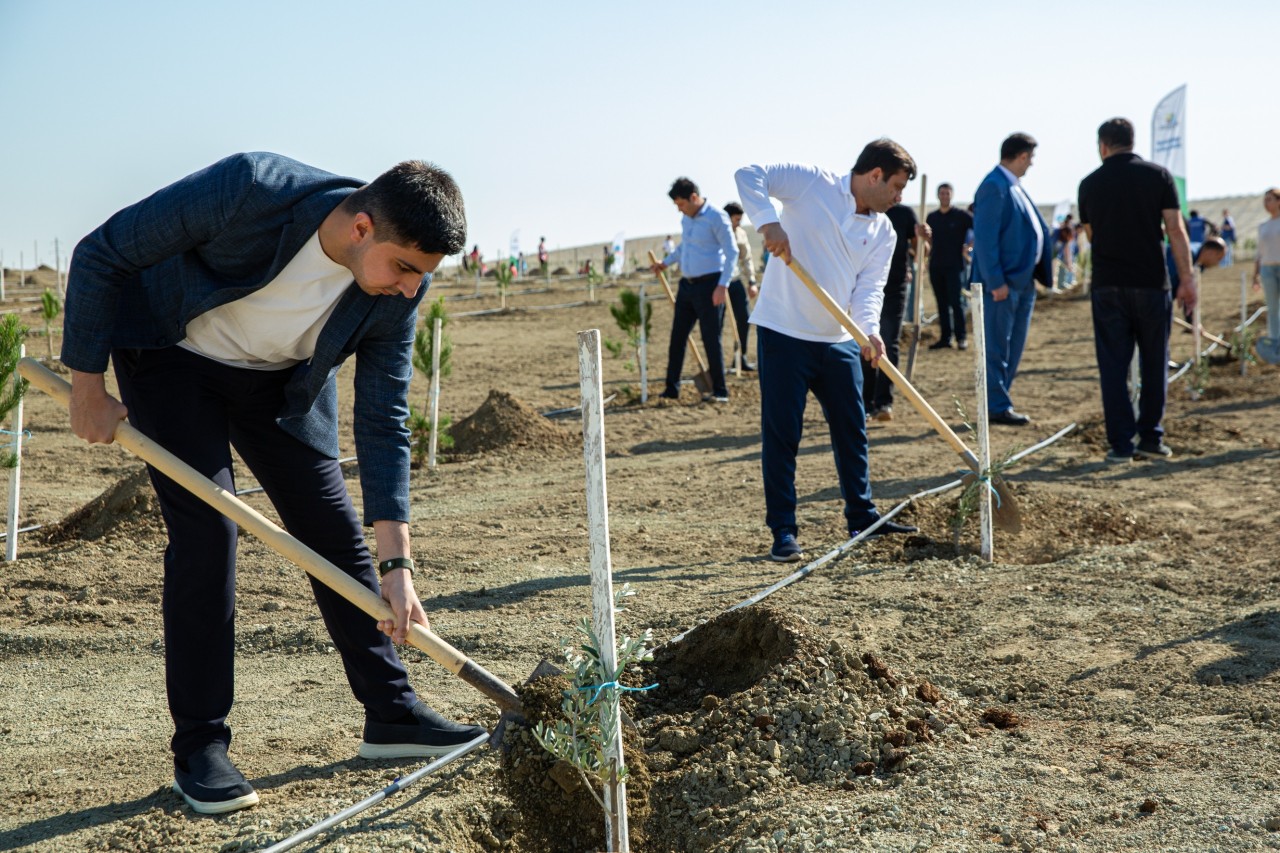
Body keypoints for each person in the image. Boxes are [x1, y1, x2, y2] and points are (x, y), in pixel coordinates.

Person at [61, 153, 486, 815]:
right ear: (362, 228)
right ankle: (201, 746)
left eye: (421, 276)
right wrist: (87, 387)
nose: (411, 289)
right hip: (172, 357)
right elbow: (102, 252)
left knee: (333, 532)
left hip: (279, 387)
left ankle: (392, 713)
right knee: (209, 532)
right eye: (404, 268)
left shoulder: (401, 290)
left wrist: (397, 566)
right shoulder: (250, 190)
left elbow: (384, 415)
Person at [735, 139, 921, 563]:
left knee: (852, 431)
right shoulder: (812, 184)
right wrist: (768, 223)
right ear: (875, 175)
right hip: (784, 332)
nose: (899, 197)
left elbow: (869, 289)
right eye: (896, 186)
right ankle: (783, 531)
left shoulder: (884, 231)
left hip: (838, 341)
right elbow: (749, 174)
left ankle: (863, 517)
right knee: (783, 435)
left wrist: (869, 331)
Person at [1078, 118, 1196, 463]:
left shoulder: (1089, 183)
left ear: (1103, 146)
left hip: (1108, 284)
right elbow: (1175, 230)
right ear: (1132, 142)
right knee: (1155, 362)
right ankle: (1150, 438)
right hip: (1151, 283)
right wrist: (1187, 278)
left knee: (1113, 367)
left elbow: (1091, 235)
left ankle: (1120, 444)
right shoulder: (1159, 176)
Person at [971, 132, 1053, 426]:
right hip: (1003, 285)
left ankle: (1000, 400)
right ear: (1021, 156)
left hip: (1023, 281)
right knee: (996, 347)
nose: (1031, 164)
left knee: (1012, 347)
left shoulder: (1013, 186)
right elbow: (985, 239)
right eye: (1030, 158)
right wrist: (995, 282)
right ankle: (996, 405)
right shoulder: (994, 186)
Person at [652, 177, 738, 402]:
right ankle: (671, 389)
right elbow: (685, 247)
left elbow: (732, 252)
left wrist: (722, 285)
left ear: (693, 197)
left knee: (711, 339)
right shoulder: (687, 219)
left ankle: (720, 390)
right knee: (677, 338)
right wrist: (665, 263)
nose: (679, 209)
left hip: (711, 286)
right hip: (687, 286)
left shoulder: (716, 217)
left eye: (681, 204)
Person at [862, 201, 918, 421]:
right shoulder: (865, 208)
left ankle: (884, 402)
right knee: (866, 341)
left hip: (895, 287)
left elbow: (920, 251)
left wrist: (922, 239)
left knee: (889, 341)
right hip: (865, 286)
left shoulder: (905, 214)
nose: (898, 194)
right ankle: (865, 403)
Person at [923, 183, 973, 350]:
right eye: (942, 193)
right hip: (936, 266)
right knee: (941, 303)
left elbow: (979, 229)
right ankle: (946, 338)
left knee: (956, 302)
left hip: (955, 266)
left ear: (952, 195)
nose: (944, 196)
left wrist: (969, 247)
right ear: (938, 195)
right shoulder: (932, 217)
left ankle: (961, 338)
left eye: (947, 193)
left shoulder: (961, 216)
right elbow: (928, 240)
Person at [722, 201, 758, 371]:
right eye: (736, 220)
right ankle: (717, 364)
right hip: (718, 283)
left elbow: (747, 259)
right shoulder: (717, 232)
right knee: (717, 323)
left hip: (735, 282)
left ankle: (741, 357)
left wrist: (752, 281)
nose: (739, 223)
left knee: (744, 318)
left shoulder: (741, 234)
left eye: (740, 220)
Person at [1254, 188, 1280, 363]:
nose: (1266, 203)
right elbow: (1259, 253)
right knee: (1272, 308)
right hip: (1267, 270)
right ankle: (1275, 344)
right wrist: (1255, 275)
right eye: (1265, 200)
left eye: (1269, 199)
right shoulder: (1263, 226)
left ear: (1279, 201)